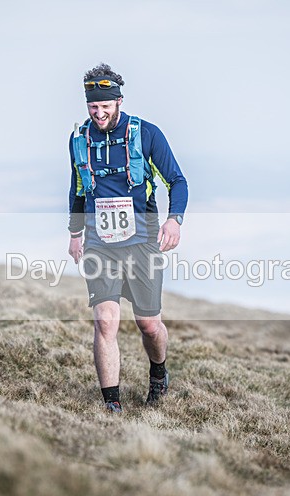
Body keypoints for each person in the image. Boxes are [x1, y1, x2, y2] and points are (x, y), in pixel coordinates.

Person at [67, 63, 189, 413]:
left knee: (148, 325)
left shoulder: (146, 134)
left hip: (143, 241)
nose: (99, 112)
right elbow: (76, 188)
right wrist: (75, 232)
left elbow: (177, 181)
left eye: (105, 106)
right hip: (99, 243)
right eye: (93, 106)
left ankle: (158, 373)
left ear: (119, 101)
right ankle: (112, 405)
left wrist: (174, 221)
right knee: (105, 320)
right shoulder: (79, 139)